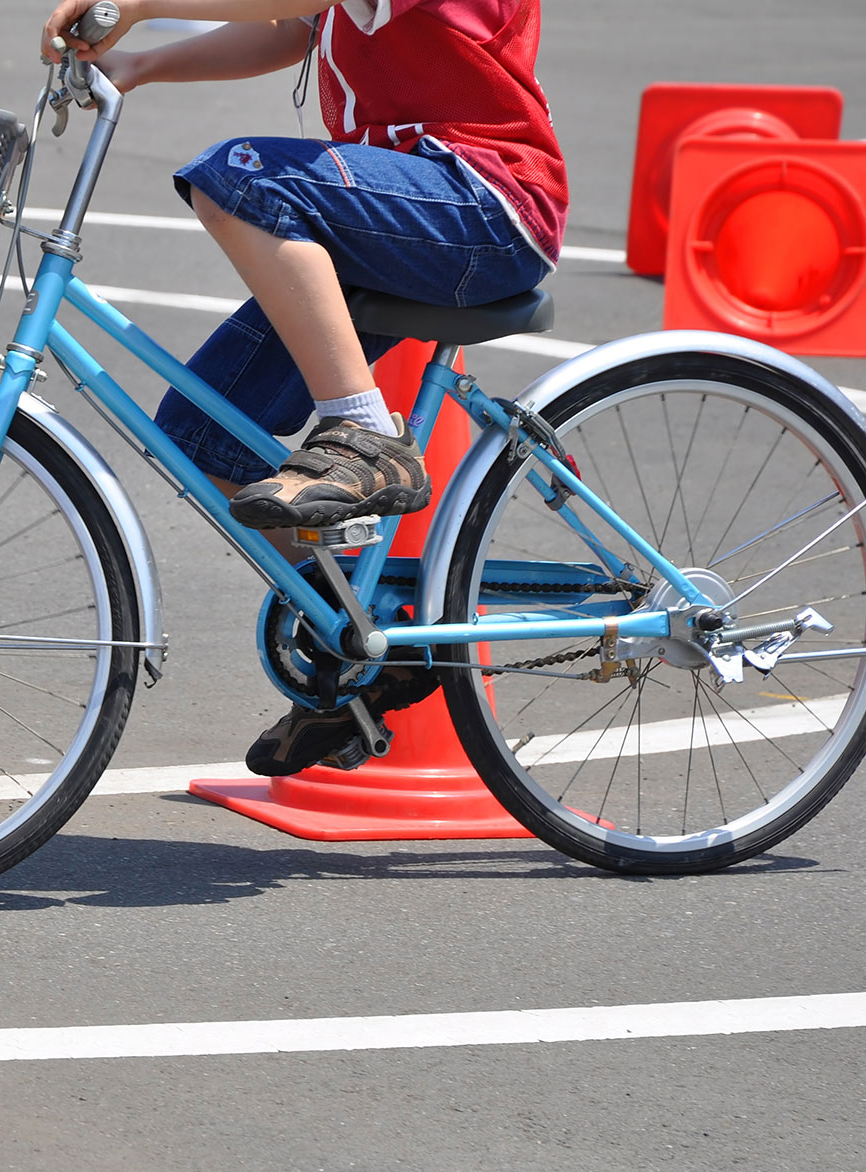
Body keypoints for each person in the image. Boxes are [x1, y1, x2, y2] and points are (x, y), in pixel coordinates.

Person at [40, 0, 567, 775]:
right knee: (199, 439)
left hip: (486, 204)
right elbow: (295, 29)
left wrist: (142, 5)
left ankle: (365, 435)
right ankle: (365, 642)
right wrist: (139, 62)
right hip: (409, 212)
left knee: (241, 177)